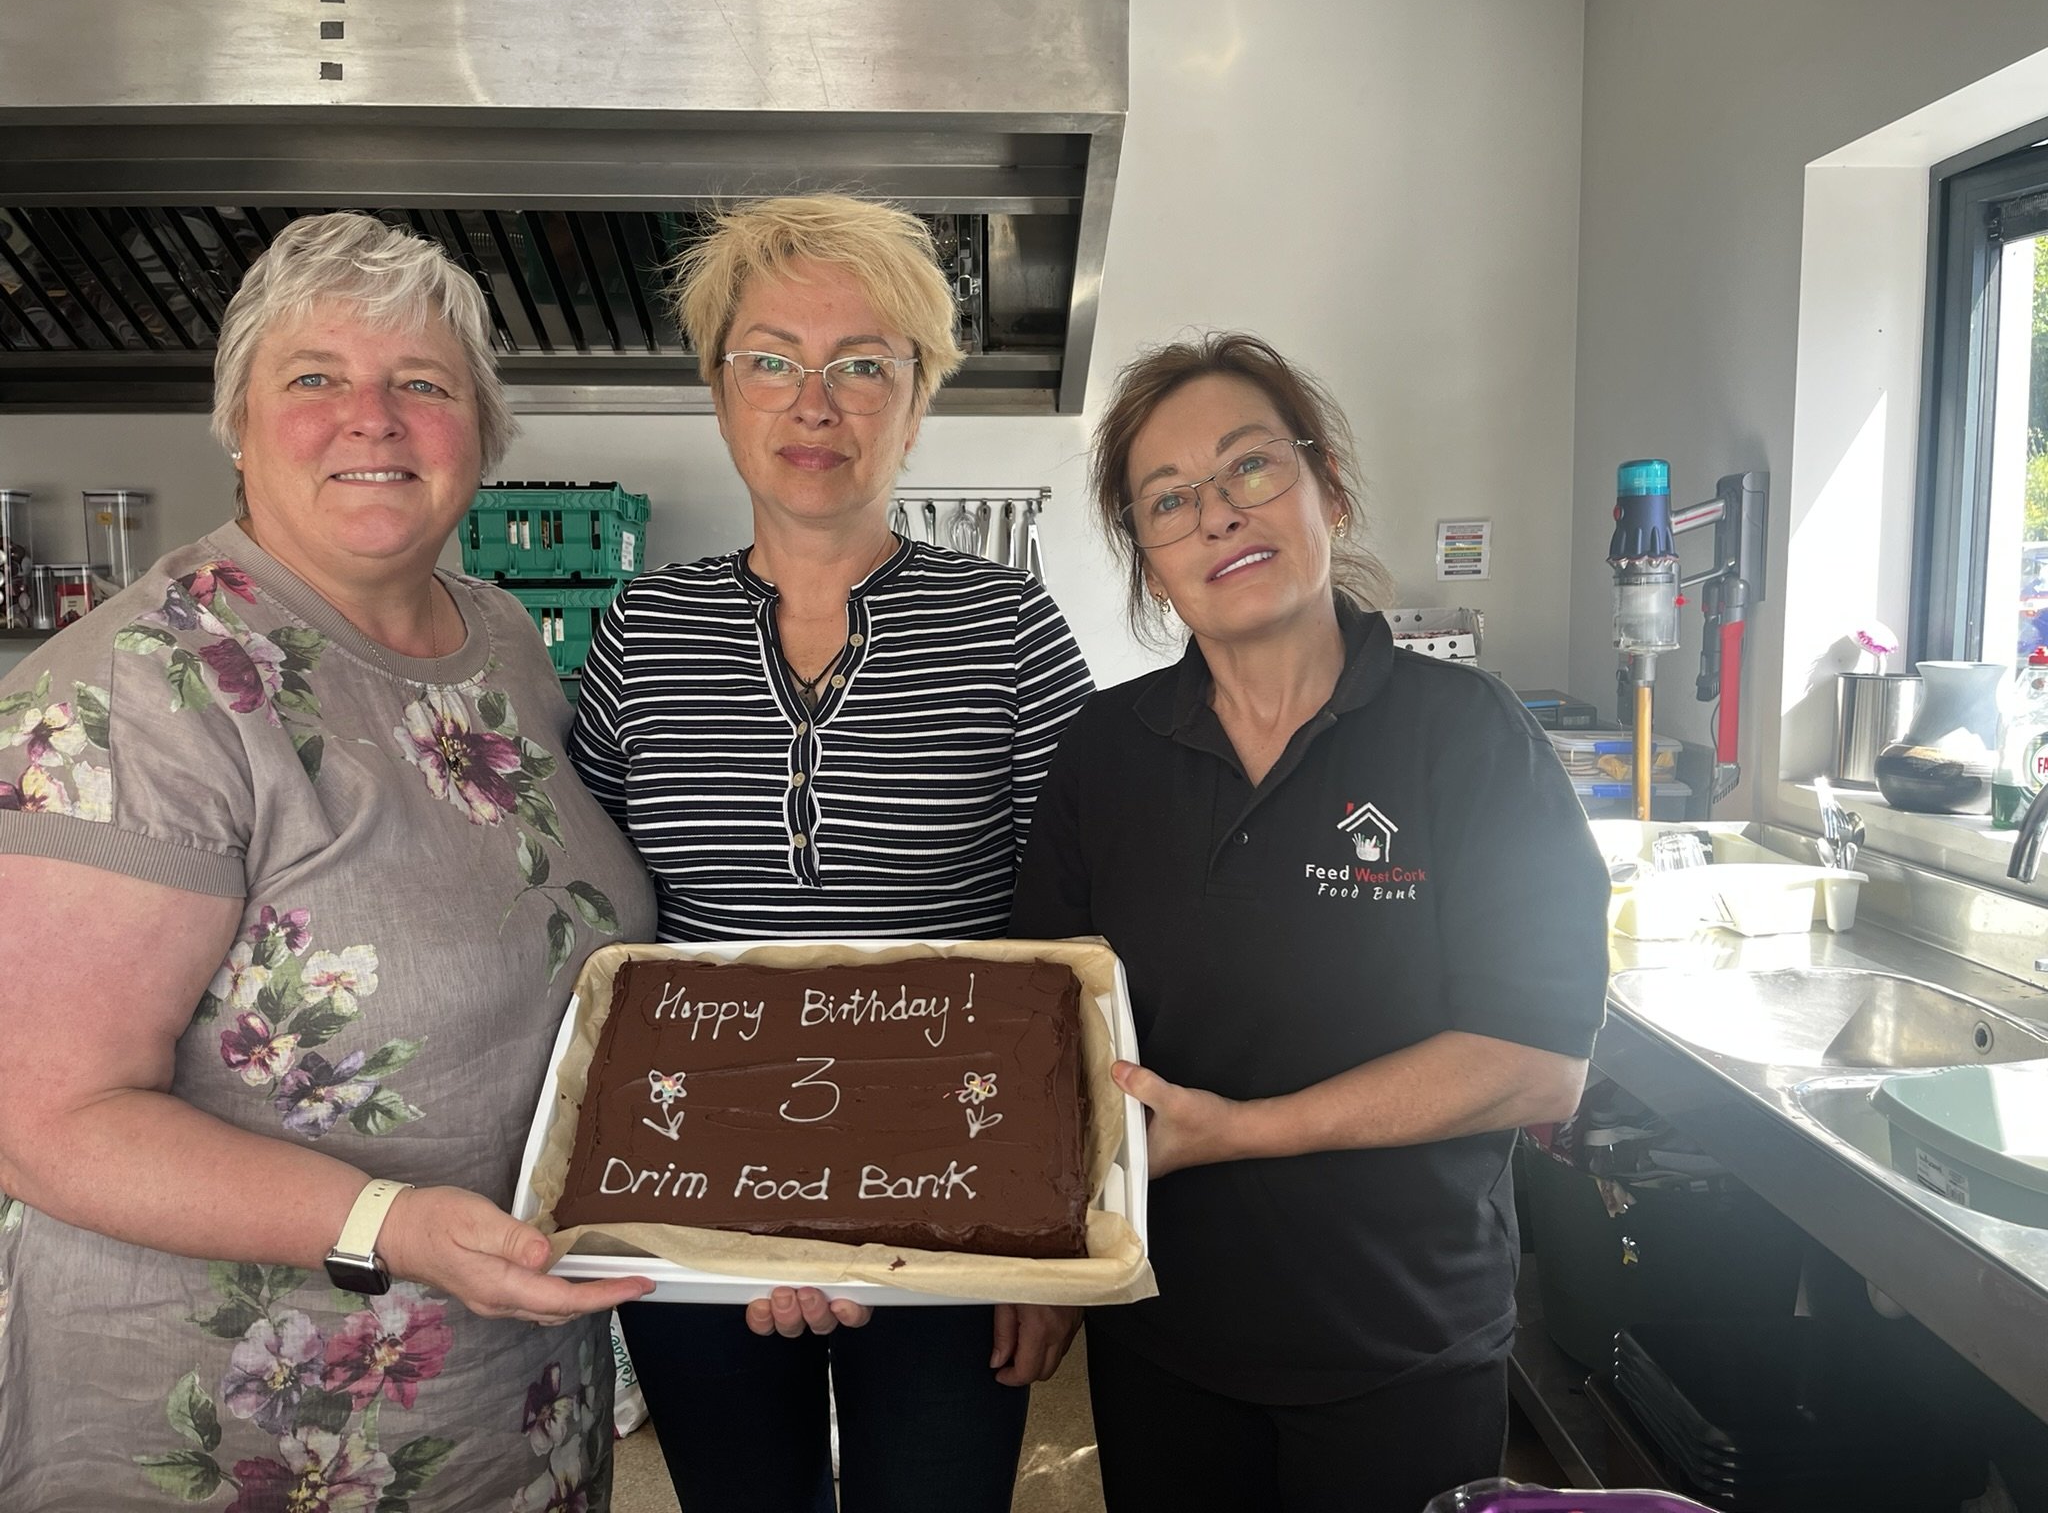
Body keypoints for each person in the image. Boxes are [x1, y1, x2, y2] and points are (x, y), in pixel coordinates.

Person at [0, 211, 847, 1512]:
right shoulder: (132, 695)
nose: (373, 418)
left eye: (423, 384)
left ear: (483, 435)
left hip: (512, 1390)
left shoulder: (501, 638)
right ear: (236, 419)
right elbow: (47, 1123)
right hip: (246, 1430)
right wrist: (386, 1227)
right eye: (315, 377)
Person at [1008, 333, 1609, 1513]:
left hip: (1403, 1341)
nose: (1218, 517)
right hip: (1165, 1335)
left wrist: (1240, 1130)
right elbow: (1049, 1025)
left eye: (1248, 469)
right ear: (1147, 559)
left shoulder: (1468, 736)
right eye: (1169, 502)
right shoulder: (1104, 755)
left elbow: (1535, 1064)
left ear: (1325, 485)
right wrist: (1039, 1258)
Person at [567, 193, 1095, 1512]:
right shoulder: (642, 634)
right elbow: (600, 943)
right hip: (698, 1200)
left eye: (864, 363)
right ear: (721, 392)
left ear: (917, 403)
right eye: (773, 360)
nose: (817, 401)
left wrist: (1051, 1241)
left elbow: (1076, 942)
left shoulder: (1010, 629)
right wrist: (746, 1219)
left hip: (953, 1198)